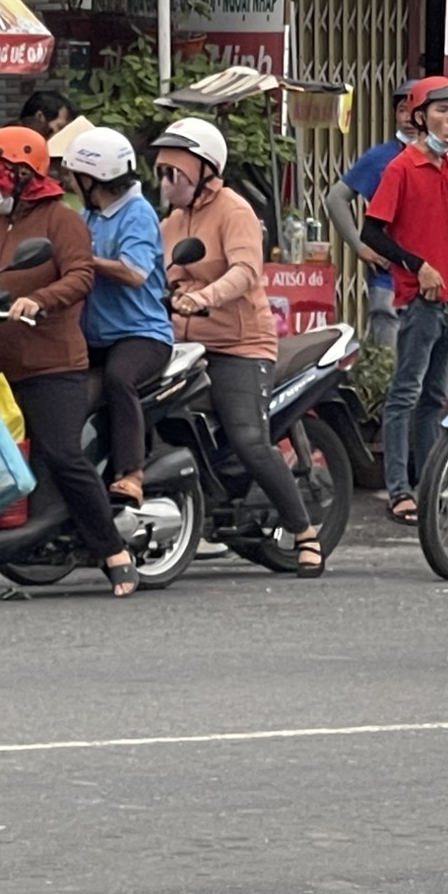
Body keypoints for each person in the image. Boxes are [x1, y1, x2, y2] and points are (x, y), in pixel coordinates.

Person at [0, 126, 136, 594]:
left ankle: (113, 550)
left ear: (22, 173)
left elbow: (80, 276)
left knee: (62, 454)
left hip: (52, 366)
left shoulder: (63, 221)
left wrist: (39, 300)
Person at [152, 118, 327, 574]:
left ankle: (305, 532)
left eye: (176, 174)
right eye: (163, 174)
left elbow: (247, 272)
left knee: (250, 439)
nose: (168, 183)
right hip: (181, 347)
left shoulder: (234, 211)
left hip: (239, 345)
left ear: (205, 170)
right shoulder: (169, 224)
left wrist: (202, 298)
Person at [358, 78, 448, 525]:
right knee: (405, 393)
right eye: (442, 111)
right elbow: (371, 232)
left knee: (435, 394)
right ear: (418, 117)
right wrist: (417, 265)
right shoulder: (402, 167)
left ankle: (429, 484)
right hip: (419, 297)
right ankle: (399, 490)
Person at [67, 126, 172, 506]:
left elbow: (135, 272)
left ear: (93, 179)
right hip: (95, 336)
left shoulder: (137, 214)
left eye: (75, 177)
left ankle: (132, 473)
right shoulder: (90, 215)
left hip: (141, 334)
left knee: (118, 379)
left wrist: (85, 260)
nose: (71, 184)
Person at [325, 80, 417, 352]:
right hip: (387, 279)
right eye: (402, 110)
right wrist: (359, 246)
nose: (408, 118)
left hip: (431, 282)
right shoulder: (381, 157)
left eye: (415, 111)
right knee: (388, 363)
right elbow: (335, 198)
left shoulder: (445, 159)